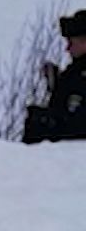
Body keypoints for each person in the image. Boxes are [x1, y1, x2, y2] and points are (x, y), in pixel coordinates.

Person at [23, 10, 86, 144]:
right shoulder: (74, 71)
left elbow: (76, 124)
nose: (67, 49)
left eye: (71, 42)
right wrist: (57, 84)